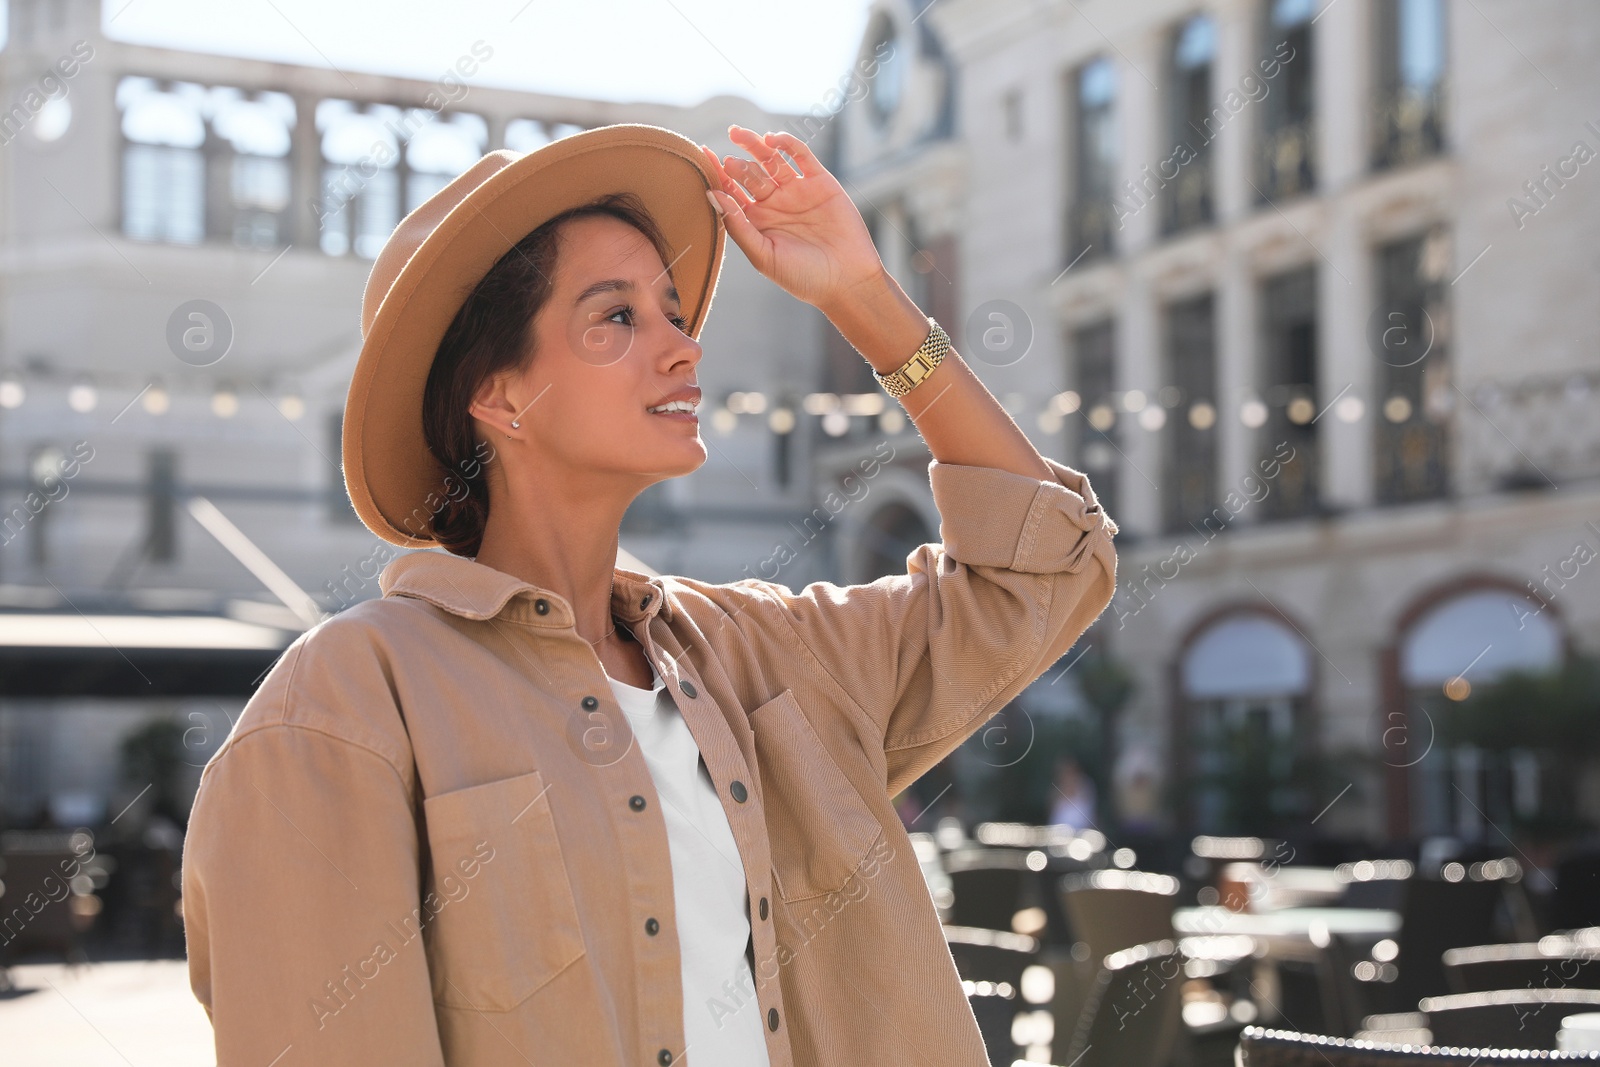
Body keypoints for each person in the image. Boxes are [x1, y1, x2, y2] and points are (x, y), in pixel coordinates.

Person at [180, 122, 1118, 1067]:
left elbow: (1042, 567)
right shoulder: (344, 704)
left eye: (674, 311)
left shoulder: (765, 652)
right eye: (617, 317)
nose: (681, 348)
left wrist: (867, 302)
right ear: (500, 397)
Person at [1048, 754, 1098, 831]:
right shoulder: (1057, 788)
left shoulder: (1085, 785)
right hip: (1059, 832)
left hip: (1081, 831)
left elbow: (1089, 811)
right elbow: (1052, 810)